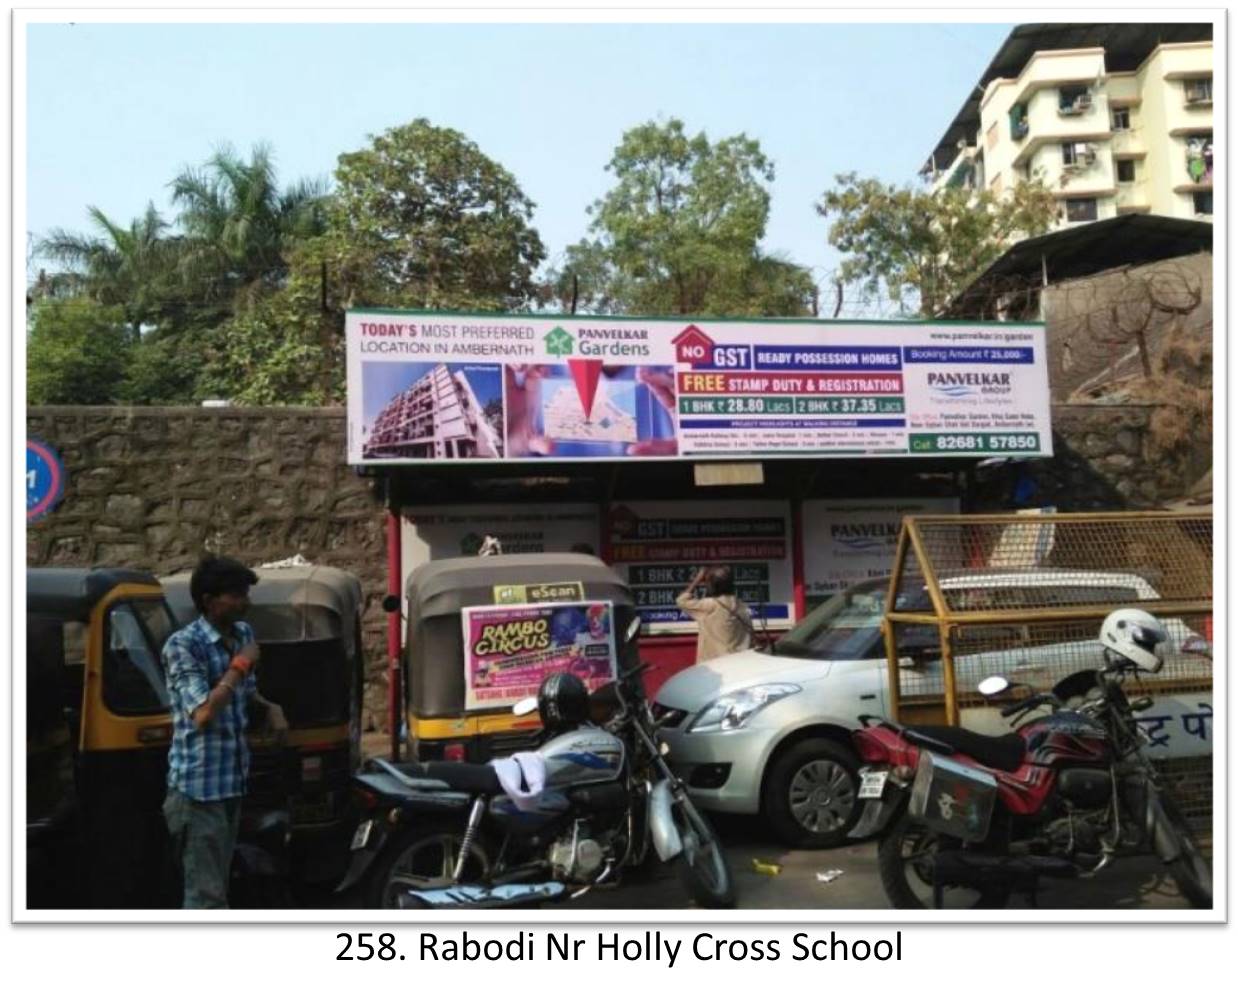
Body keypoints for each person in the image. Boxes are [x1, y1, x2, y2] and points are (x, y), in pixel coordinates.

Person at [162, 555, 287, 908]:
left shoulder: (242, 634)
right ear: (208, 600)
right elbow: (203, 712)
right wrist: (241, 664)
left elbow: (245, 693)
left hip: (231, 782)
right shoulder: (184, 646)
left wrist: (268, 707)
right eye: (236, 595)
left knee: (219, 887)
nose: (245, 602)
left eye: (245, 593)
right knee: (205, 898)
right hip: (198, 792)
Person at [675, 565, 753, 664]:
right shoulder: (742, 606)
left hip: (715, 666)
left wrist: (698, 578)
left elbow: (681, 601)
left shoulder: (709, 606)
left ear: (712, 586)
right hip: (739, 664)